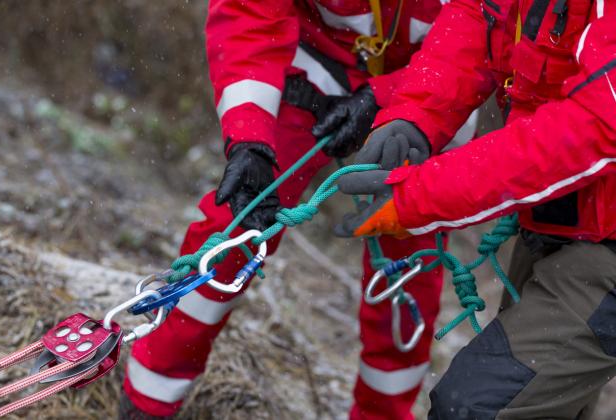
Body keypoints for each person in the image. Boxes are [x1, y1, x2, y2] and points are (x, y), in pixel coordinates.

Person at [117, 1, 482, 419]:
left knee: (408, 270)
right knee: (236, 229)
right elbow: (249, 13)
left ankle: (382, 413)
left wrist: (388, 97)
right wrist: (249, 139)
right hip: (315, 65)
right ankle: (147, 400)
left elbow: (481, 40)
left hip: (436, 90)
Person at [334, 0, 616, 418]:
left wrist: (419, 197)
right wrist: (416, 114)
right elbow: (480, 19)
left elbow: (591, 129)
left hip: (602, 248)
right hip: (569, 223)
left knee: (473, 407)